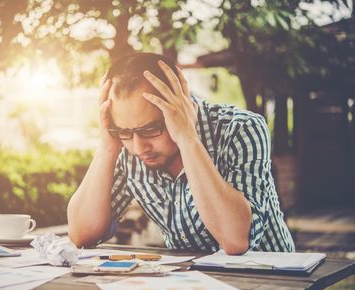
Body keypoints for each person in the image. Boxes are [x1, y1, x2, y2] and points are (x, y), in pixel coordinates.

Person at [67, 52, 295, 254]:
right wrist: (107, 145)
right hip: (189, 282)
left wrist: (188, 139)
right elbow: (81, 235)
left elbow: (236, 240)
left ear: (180, 106)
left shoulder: (241, 128)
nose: (138, 148)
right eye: (124, 132)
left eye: (150, 129)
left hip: (273, 281)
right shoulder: (123, 145)